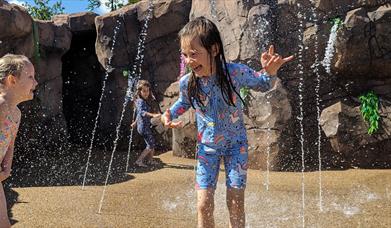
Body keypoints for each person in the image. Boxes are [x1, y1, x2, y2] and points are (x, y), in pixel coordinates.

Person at [161, 17, 293, 228]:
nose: (188, 61)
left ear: (214, 50)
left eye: (194, 54)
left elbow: (262, 83)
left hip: (235, 147)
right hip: (207, 150)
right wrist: (168, 114)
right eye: (184, 55)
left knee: (235, 203)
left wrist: (270, 71)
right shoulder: (188, 82)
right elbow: (183, 103)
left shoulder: (234, 72)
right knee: (203, 205)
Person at [0, 54, 38, 227]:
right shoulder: (1, 106)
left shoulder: (16, 113)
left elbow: (10, 142)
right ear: (12, 80)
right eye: (30, 77)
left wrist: (7, 166)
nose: (35, 83)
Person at [132, 80, 161, 167]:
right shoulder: (140, 101)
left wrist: (135, 123)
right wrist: (153, 115)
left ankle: (150, 160)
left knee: (152, 143)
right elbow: (142, 112)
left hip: (144, 126)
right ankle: (139, 161)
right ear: (139, 91)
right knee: (150, 145)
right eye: (144, 91)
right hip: (144, 127)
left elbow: (138, 113)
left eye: (147, 91)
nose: (146, 93)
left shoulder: (140, 101)